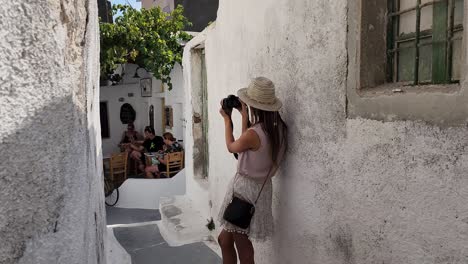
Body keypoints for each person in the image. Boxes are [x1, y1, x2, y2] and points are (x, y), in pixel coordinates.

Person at [217, 77, 287, 264]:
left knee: (243, 248)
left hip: (245, 192)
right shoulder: (278, 129)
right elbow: (251, 147)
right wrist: (245, 119)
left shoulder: (254, 133)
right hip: (261, 190)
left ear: (254, 105)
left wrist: (226, 119)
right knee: (225, 240)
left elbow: (232, 147)